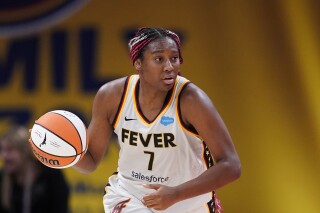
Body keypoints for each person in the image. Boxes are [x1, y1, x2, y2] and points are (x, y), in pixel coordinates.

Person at [74, 27, 241, 213]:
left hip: (188, 202)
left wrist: (175, 194)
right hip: (132, 196)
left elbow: (231, 165)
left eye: (174, 58)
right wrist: (63, 153)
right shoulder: (112, 96)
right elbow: (89, 162)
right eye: (159, 59)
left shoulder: (192, 100)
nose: (169, 66)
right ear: (138, 64)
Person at [0, 126, 70, 213]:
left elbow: (61, 207)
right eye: (2, 150)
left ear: (24, 151)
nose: (4, 155)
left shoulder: (50, 174)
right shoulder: (2, 177)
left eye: (10, 149)